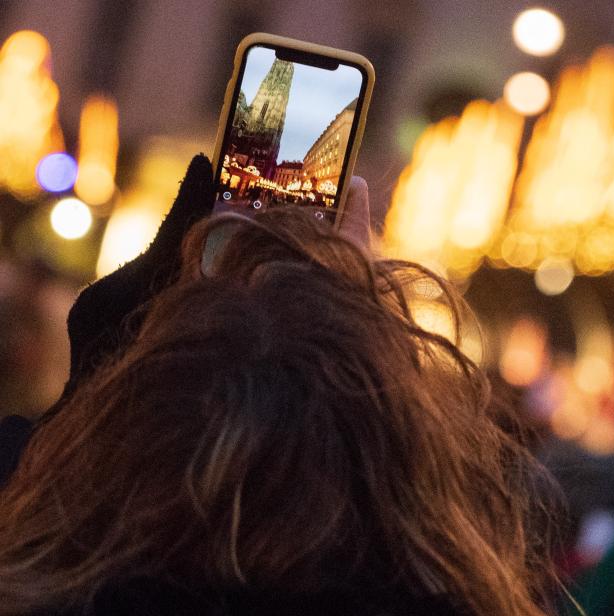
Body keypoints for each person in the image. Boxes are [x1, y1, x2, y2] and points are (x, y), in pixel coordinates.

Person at [0, 155, 563, 616]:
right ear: (395, 466)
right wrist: (351, 327)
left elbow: (33, 503)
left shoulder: (53, 574)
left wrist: (102, 376)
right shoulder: (434, 586)